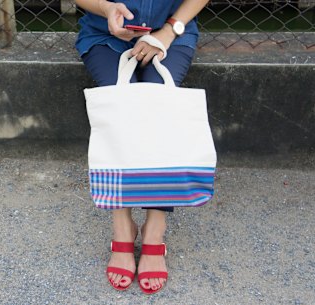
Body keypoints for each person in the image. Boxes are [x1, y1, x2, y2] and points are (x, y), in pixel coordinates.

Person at [74, 0, 210, 294]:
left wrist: (170, 30)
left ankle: (154, 229)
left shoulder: (172, 31)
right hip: (104, 34)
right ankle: (122, 226)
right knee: (116, 103)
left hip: (172, 32)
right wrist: (105, 9)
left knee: (160, 103)